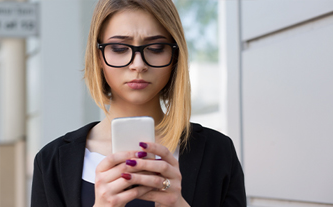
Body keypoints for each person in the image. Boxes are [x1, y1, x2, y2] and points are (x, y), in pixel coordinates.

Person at [31, 0, 246, 206]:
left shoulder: (217, 152)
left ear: (175, 55)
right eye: (119, 48)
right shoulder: (53, 162)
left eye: (155, 48)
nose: (138, 64)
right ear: (98, 56)